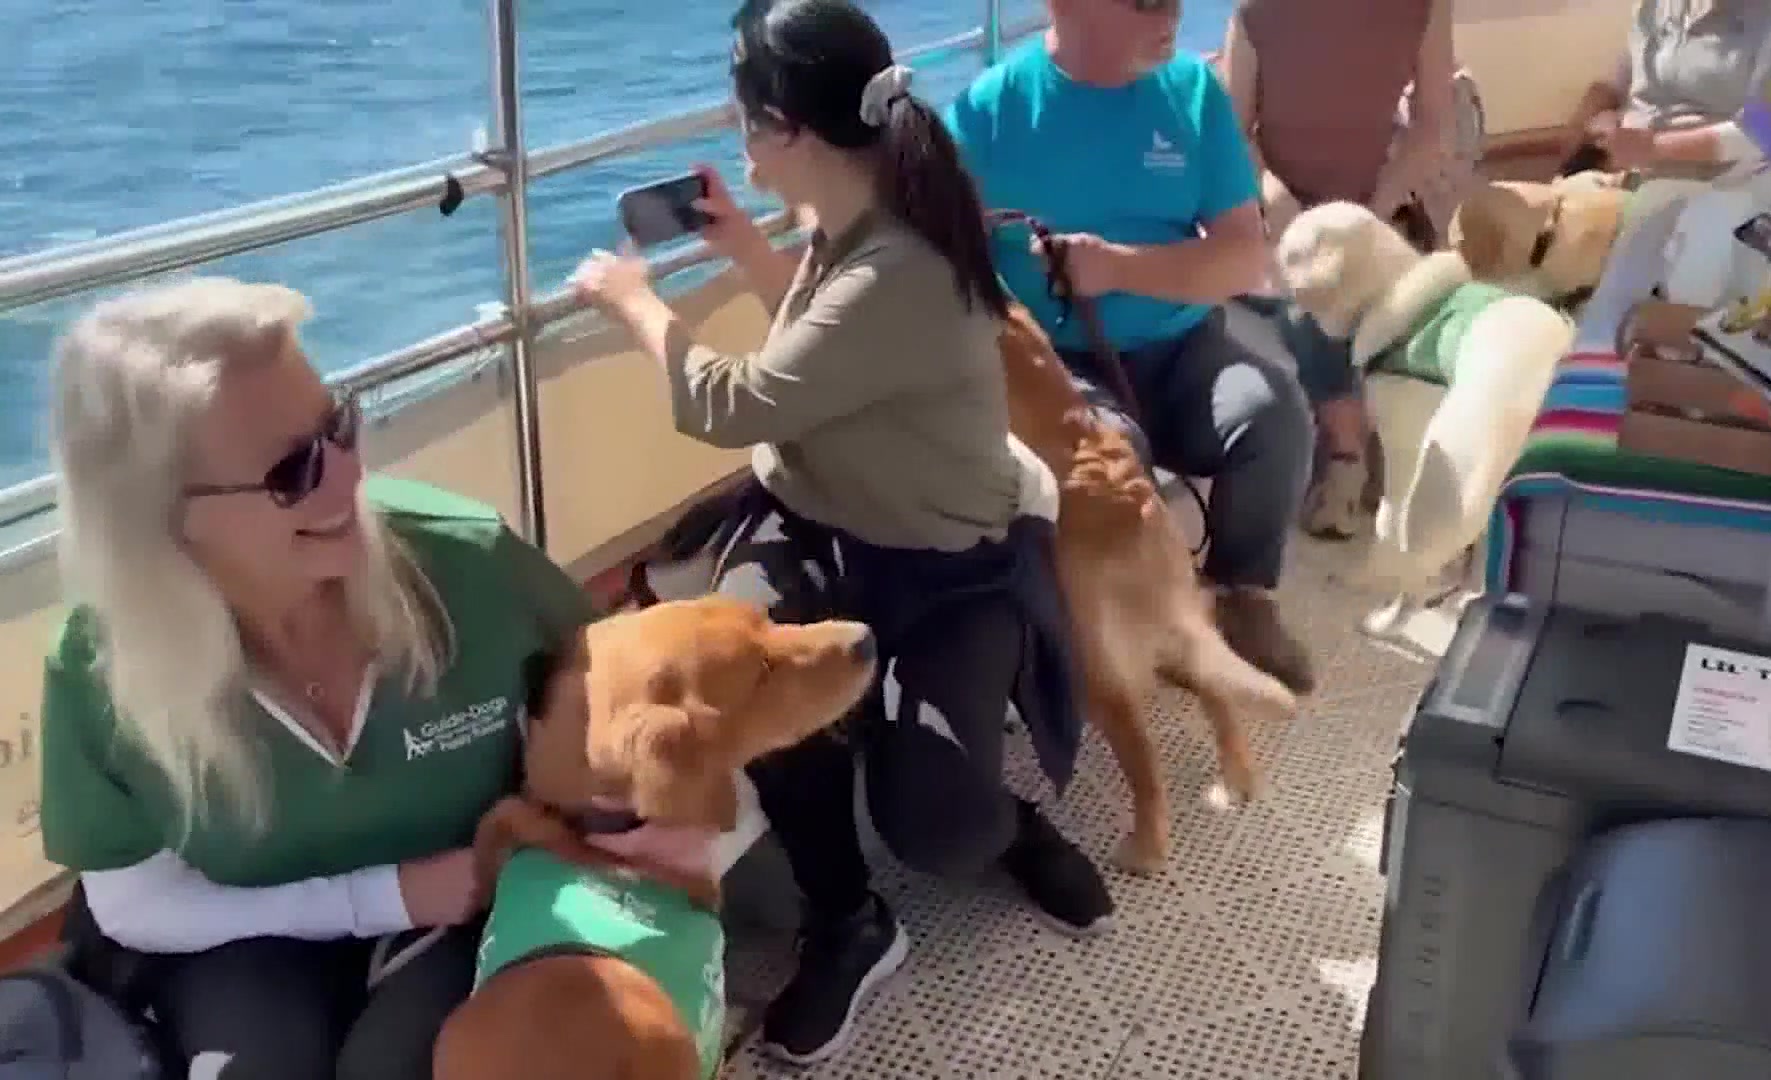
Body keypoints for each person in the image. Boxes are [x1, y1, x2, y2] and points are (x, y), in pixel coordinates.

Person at [570, 0, 1110, 1066]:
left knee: (939, 832)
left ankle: (1005, 822)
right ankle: (849, 920)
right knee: (744, 671)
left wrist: (634, 303)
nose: (737, 141)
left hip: (948, 567)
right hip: (818, 525)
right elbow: (828, 348)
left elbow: (729, 402)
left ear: (784, 131)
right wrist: (740, 244)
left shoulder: (897, 261)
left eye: (743, 119)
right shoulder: (863, 215)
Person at [36, 279, 596, 1079]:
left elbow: (621, 701)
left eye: (338, 427)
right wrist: (388, 896)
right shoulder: (100, 670)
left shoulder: (466, 561)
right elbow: (137, 903)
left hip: (477, 896)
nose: (349, 478)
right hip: (243, 931)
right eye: (292, 469)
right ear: (158, 518)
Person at [943, 0, 1318, 691]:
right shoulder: (987, 112)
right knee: (1115, 462)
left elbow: (1242, 258)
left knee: (1275, 415)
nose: (1172, 11)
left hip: (1184, 348)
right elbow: (914, 234)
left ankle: (1239, 598)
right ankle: (1131, 624)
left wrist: (1118, 268)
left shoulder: (1192, 92)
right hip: (1058, 367)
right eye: (1146, 0)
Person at [1217, 0, 1465, 540]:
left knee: (1413, 293)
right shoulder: (1256, 12)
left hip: (1380, 205)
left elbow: (1431, 125)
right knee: (1312, 296)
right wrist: (1280, 203)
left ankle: (1399, 447)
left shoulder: (1425, 8)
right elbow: (1232, 133)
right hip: (1278, 210)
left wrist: (1369, 218)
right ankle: (1346, 454)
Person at [1557, 0, 1771, 179]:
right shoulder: (1656, 7)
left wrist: (1653, 148)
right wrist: (1590, 121)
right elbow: (1616, 84)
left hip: (1716, 185)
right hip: (1621, 176)